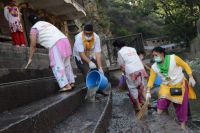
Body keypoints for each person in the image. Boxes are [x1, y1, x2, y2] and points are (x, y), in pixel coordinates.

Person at [146, 46, 197, 130]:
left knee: (181, 106)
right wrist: (148, 91)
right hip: (166, 86)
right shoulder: (154, 67)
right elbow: (151, 79)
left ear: (162, 53)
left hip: (180, 85)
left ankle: (183, 126)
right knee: (161, 101)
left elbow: (185, 65)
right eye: (153, 56)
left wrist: (191, 77)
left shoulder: (174, 58)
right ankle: (159, 120)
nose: (154, 57)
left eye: (156, 55)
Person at [26, 15, 75, 92]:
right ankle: (71, 82)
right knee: (66, 64)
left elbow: (33, 45)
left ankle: (66, 85)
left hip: (56, 43)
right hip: (65, 40)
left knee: (57, 65)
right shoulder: (46, 24)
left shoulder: (34, 28)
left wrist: (30, 58)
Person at [73, 22, 107, 96]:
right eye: (86, 33)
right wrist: (89, 62)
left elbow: (97, 53)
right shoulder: (79, 38)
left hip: (90, 55)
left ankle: (99, 88)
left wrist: (100, 67)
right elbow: (81, 54)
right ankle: (91, 92)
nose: (88, 35)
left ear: (92, 32)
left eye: (90, 34)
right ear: (84, 31)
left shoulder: (96, 37)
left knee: (97, 71)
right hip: (80, 57)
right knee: (87, 71)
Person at [113, 40, 148, 112]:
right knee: (142, 86)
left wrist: (124, 74)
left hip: (131, 71)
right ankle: (148, 102)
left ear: (117, 46)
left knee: (132, 87)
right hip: (140, 69)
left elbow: (122, 65)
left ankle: (138, 106)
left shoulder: (120, 52)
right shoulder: (133, 49)